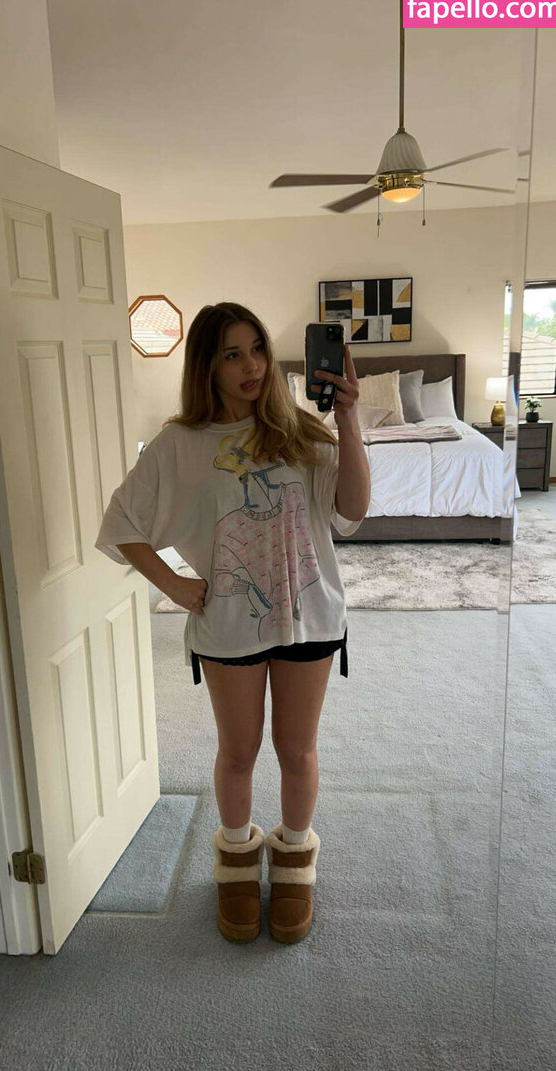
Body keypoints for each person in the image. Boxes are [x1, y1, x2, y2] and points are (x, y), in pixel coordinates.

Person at [95, 302, 369, 944]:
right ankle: (238, 862)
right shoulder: (178, 444)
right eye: (232, 354)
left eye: (258, 349)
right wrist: (171, 584)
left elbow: (352, 512)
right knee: (239, 751)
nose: (252, 366)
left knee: (296, 750)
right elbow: (120, 523)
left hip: (309, 618)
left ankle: (295, 860)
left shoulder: (300, 432)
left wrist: (349, 418)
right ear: (207, 367)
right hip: (228, 625)